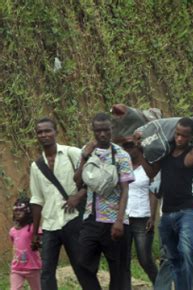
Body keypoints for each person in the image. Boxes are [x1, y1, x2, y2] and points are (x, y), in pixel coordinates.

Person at [143, 117, 193, 290]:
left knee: (186, 252)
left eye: (184, 136)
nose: (179, 139)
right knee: (170, 257)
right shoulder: (165, 152)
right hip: (167, 213)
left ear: (191, 137)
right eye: (177, 134)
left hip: (187, 212)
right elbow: (151, 173)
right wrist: (140, 152)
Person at [75, 112, 135, 290]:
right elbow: (78, 181)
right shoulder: (87, 152)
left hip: (114, 222)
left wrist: (119, 220)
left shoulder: (121, 156)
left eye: (106, 130)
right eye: (98, 131)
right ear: (93, 131)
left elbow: (125, 190)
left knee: (119, 272)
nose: (102, 135)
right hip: (91, 219)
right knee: (82, 263)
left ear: (112, 130)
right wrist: (85, 156)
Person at [29, 117, 88, 290]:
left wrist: (78, 195)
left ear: (56, 132)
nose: (44, 135)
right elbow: (37, 199)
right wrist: (35, 232)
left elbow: (94, 178)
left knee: (81, 267)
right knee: (46, 272)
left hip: (73, 220)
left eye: (47, 130)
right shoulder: (36, 166)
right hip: (50, 224)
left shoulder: (72, 153)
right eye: (40, 132)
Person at [117, 138, 158, 284]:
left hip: (143, 218)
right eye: (125, 147)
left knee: (145, 259)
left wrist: (152, 217)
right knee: (123, 260)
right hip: (124, 218)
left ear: (138, 148)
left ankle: (160, 285)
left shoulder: (148, 168)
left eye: (131, 147)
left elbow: (153, 192)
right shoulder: (121, 167)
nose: (128, 150)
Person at [10, 197, 41, 290]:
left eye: (21, 210)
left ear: (28, 212)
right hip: (17, 269)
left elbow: (41, 240)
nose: (17, 212)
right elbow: (14, 247)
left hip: (33, 267)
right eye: (16, 210)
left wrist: (38, 243)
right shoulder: (12, 231)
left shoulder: (33, 228)